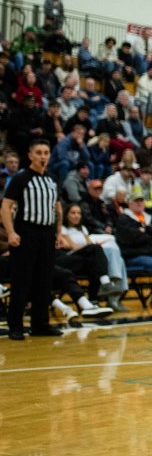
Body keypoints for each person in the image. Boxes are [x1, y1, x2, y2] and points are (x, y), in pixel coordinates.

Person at [3, 140, 64, 339]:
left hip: (47, 234)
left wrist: (59, 233)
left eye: (46, 152)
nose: (43, 156)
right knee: (22, 280)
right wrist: (11, 232)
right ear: (30, 155)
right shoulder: (21, 179)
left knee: (44, 281)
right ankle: (16, 326)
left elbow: (58, 209)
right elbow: (5, 206)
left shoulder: (52, 180)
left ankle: (40, 325)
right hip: (26, 232)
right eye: (39, 152)